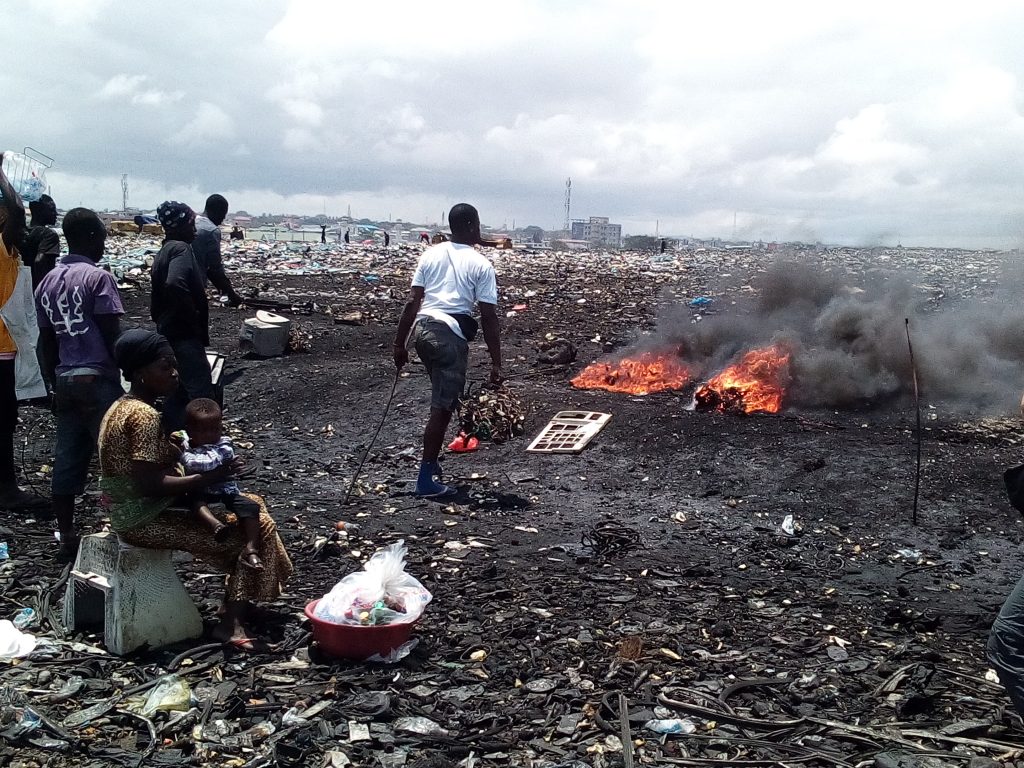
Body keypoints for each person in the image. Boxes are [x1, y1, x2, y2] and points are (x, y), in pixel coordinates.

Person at [98, 329, 292, 650]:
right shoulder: (144, 416)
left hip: (132, 510)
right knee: (254, 532)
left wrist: (178, 449)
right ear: (140, 373)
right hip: (143, 519)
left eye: (174, 365)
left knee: (253, 504)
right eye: (165, 367)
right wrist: (212, 476)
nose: (174, 372)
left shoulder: (121, 406)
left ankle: (240, 601)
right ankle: (230, 624)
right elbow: (152, 484)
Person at [393, 203, 501, 498]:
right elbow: (489, 316)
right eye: (477, 225)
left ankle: (432, 467)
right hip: (448, 337)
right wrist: (496, 363)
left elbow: (413, 302)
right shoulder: (481, 264)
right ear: (472, 226)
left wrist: (399, 344)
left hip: (424, 331)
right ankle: (426, 479)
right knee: (442, 410)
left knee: (442, 399)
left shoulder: (430, 254)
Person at [35, 208, 124, 562]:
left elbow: (46, 342)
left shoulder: (46, 283)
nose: (103, 244)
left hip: (65, 380)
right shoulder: (98, 278)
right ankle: (123, 530)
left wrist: (52, 385)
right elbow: (112, 334)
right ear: (90, 237)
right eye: (101, 237)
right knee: (115, 457)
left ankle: (67, 535)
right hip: (98, 379)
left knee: (67, 458)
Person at [0, 153, 48, 512]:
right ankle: (7, 490)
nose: (24, 230)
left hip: (7, 345)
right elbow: (17, 211)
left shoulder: (11, 252)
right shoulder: (2, 250)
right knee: (3, 421)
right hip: (2, 349)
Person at [151, 201, 213, 431]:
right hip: (183, 334)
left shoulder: (165, 250)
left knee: (177, 390)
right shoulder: (180, 249)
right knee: (200, 392)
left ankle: (170, 438)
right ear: (180, 226)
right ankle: (205, 442)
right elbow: (175, 283)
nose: (194, 229)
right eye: (191, 223)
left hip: (168, 330)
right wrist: (191, 315)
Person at [179, 398, 262, 567]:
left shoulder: (224, 444)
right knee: (195, 501)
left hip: (225, 490)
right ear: (190, 430)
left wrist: (191, 455)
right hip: (201, 490)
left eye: (215, 429)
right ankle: (215, 525)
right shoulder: (185, 446)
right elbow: (193, 464)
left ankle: (251, 548)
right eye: (204, 431)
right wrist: (222, 467)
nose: (211, 435)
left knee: (251, 507)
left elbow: (203, 463)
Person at [193, 195, 243, 307]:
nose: (222, 219)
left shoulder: (189, 223)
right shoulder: (211, 231)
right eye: (223, 214)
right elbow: (214, 268)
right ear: (218, 211)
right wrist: (231, 294)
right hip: (193, 285)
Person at [20, 194, 59, 290]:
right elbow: (40, 261)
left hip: (21, 286)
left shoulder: (21, 233)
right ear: (40, 211)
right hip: (38, 289)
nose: (56, 213)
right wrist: (43, 289)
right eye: (52, 210)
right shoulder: (49, 235)